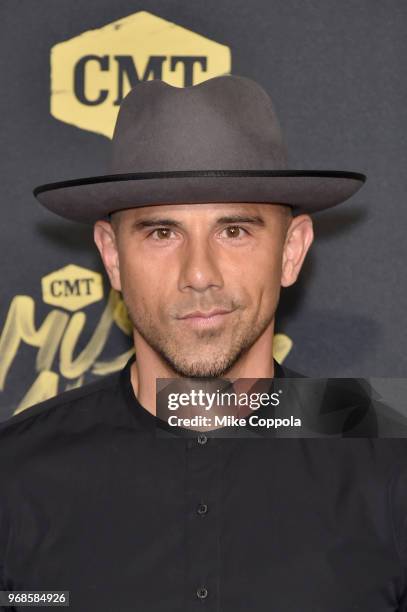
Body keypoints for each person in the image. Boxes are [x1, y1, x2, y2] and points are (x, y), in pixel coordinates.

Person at [0, 74, 406, 611]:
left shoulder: (389, 460)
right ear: (112, 255)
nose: (199, 274)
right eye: (161, 233)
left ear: (291, 250)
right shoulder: (15, 477)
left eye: (233, 230)